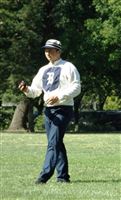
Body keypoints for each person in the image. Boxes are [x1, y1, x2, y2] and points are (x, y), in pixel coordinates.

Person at [19, 39, 81, 184]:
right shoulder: (43, 70)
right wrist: (27, 90)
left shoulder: (69, 67)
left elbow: (76, 88)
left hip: (63, 109)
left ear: (59, 51)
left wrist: (59, 96)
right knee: (56, 142)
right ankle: (63, 177)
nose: (47, 53)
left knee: (53, 142)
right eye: (46, 50)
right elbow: (36, 91)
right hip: (49, 110)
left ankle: (43, 176)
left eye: (51, 50)